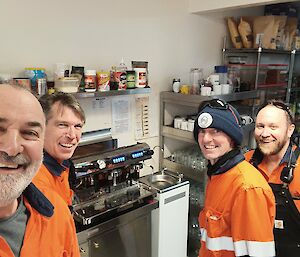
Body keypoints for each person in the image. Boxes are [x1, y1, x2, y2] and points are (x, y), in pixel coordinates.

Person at [0, 84, 80, 257]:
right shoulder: (37, 178)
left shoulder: (57, 212)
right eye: (62, 125)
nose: (11, 148)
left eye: (29, 132)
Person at [193, 99, 275, 257]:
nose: (206, 139)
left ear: (232, 138)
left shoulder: (248, 188)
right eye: (202, 131)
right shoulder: (218, 174)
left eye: (215, 131)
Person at [245, 99, 300, 257]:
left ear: (290, 130)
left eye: (273, 126)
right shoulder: (244, 164)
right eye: (260, 126)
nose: (265, 133)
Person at [32, 92, 85, 207]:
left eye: (77, 126)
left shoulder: (63, 166)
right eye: (62, 125)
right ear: (40, 128)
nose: (72, 135)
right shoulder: (36, 183)